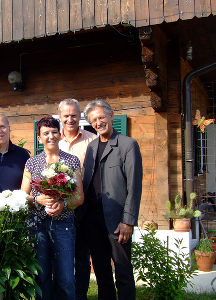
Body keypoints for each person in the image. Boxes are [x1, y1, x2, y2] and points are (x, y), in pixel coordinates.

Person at [82, 100, 142, 300]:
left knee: (123, 272)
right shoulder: (91, 148)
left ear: (111, 116)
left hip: (117, 222)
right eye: (94, 120)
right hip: (93, 220)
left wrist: (128, 221)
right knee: (101, 273)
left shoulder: (127, 145)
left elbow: (134, 186)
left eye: (101, 117)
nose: (98, 122)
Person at [21, 116, 84, 300]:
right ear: (39, 137)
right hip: (37, 226)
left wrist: (63, 204)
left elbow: (79, 197)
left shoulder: (71, 161)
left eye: (54, 132)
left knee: (65, 278)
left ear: (60, 134)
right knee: (42, 277)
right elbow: (22, 197)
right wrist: (37, 200)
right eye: (45, 133)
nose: (51, 136)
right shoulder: (31, 163)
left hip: (63, 225)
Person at [57, 98, 96, 300]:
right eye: (66, 116)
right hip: (59, 208)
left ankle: (80, 296)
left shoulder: (92, 140)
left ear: (80, 116)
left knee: (81, 257)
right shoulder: (54, 140)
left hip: (84, 207)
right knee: (61, 257)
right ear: (60, 118)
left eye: (74, 115)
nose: (70, 119)